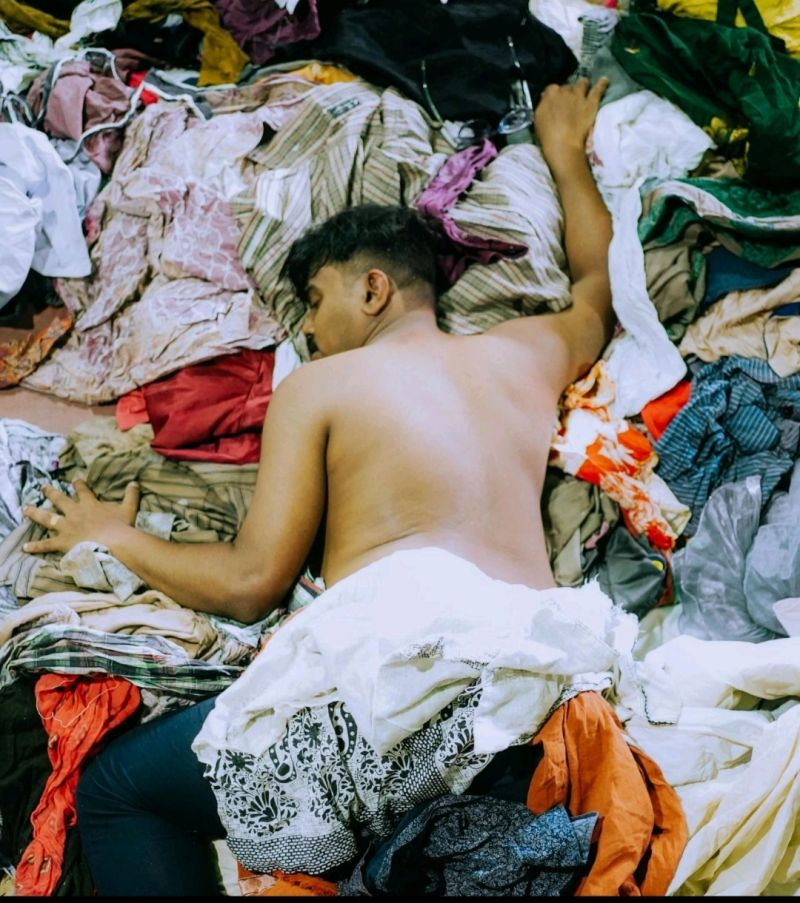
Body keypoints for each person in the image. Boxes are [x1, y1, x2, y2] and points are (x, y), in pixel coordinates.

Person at [21, 77, 613, 895]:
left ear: (372, 289)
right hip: (532, 695)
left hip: (404, 690)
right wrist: (564, 154)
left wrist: (111, 533)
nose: (305, 327)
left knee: (119, 790)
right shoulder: (526, 354)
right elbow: (595, 289)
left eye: (314, 299)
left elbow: (250, 583)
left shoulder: (323, 386)